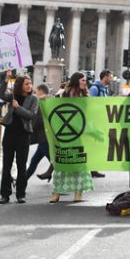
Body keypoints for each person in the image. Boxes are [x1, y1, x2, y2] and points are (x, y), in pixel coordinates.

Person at [50, 72, 94, 203]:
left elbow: (89, 115)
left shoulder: (86, 96)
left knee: (78, 163)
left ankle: (78, 193)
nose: (85, 82)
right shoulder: (63, 94)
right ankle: (56, 192)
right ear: (76, 81)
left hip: (78, 134)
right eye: (82, 80)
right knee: (61, 162)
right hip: (65, 134)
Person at [0, 75, 39, 204]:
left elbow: (30, 115)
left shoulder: (33, 99)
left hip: (23, 135)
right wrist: (5, 80)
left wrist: (17, 107)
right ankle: (5, 194)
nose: (29, 86)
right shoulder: (12, 96)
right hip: (9, 133)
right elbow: (0, 94)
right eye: (26, 84)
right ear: (20, 84)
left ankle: (21, 194)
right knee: (7, 165)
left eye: (30, 83)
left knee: (22, 166)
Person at [26, 84, 52, 181]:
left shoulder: (41, 103)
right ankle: (22, 181)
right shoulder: (50, 101)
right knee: (34, 161)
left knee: (54, 162)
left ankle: (62, 184)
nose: (35, 94)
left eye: (36, 92)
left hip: (44, 137)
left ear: (40, 91)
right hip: (44, 138)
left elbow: (39, 120)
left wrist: (30, 127)